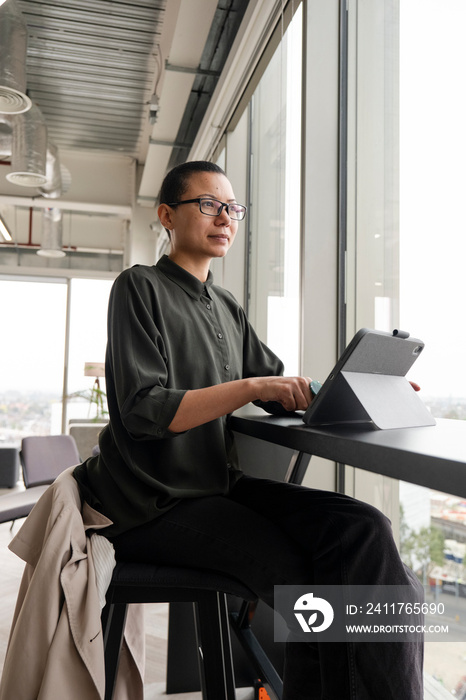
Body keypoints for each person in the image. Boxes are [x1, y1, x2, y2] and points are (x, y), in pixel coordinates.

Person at [73, 160, 424, 699]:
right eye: (208, 204)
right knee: (307, 586)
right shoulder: (138, 287)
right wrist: (252, 388)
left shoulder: (226, 306)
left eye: (232, 208)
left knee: (364, 528)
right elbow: (145, 410)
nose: (225, 218)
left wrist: (368, 390)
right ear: (167, 215)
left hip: (215, 487)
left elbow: (283, 385)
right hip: (149, 503)